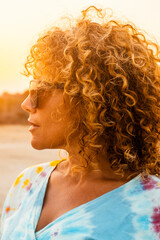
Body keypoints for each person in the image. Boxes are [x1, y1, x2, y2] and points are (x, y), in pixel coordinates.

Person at [1, 5, 160, 240]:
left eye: (41, 89)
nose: (27, 103)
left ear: (90, 98)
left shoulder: (151, 206)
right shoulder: (28, 182)